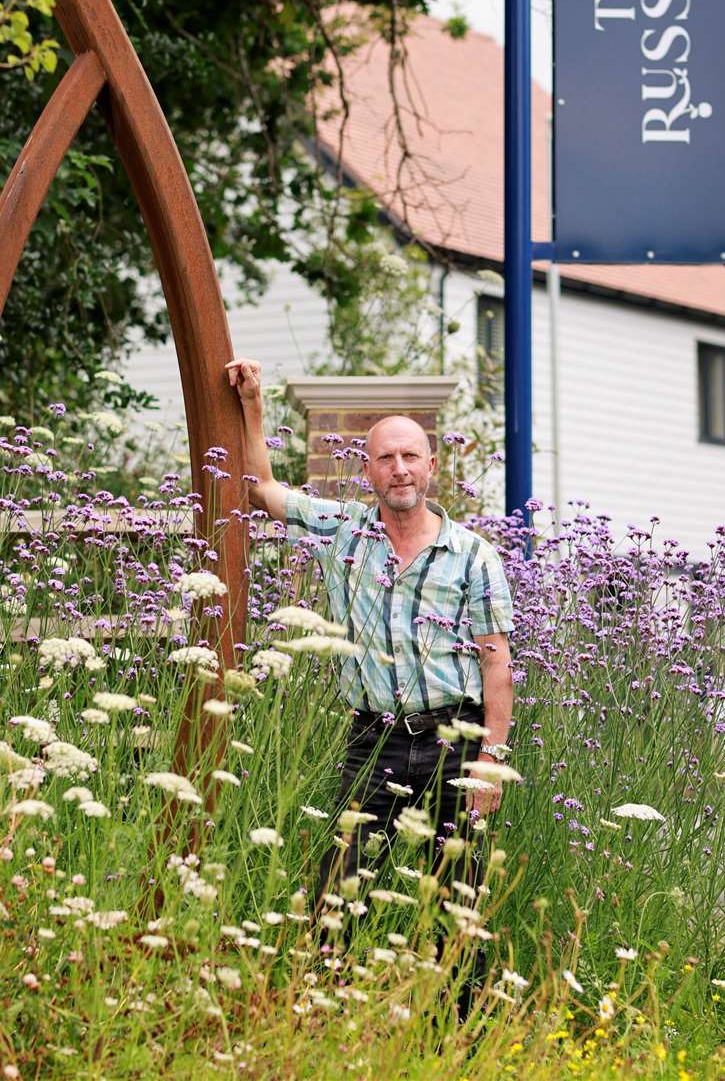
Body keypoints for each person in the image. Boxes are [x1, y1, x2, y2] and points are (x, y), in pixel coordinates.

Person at [225, 357, 514, 1012]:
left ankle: (459, 1037)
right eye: (386, 458)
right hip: (373, 740)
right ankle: (323, 1016)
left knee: (456, 895)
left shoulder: (472, 555)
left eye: (411, 455)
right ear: (369, 471)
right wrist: (253, 404)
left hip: (455, 743)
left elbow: (498, 663)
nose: (400, 468)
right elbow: (259, 486)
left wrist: (492, 761)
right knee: (338, 886)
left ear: (431, 466)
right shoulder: (344, 530)